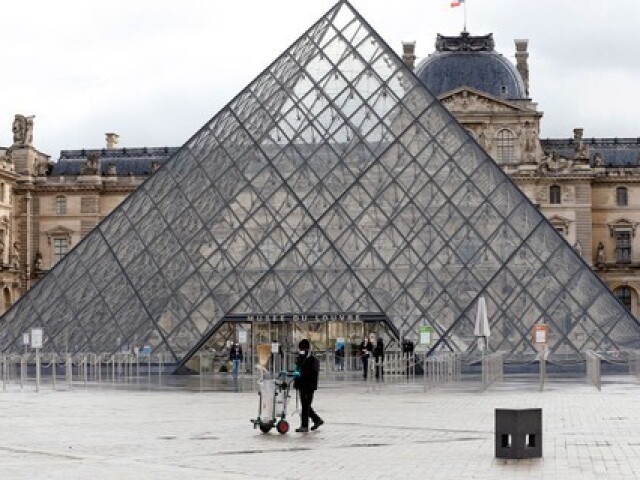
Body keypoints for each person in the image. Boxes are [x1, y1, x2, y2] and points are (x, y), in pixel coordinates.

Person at [294, 339, 323, 433]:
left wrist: (310, 386)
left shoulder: (312, 360)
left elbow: (312, 374)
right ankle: (317, 420)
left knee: (305, 406)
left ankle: (304, 426)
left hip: (309, 386)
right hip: (302, 385)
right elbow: (298, 369)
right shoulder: (301, 358)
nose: (300, 351)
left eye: (301, 349)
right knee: (306, 405)